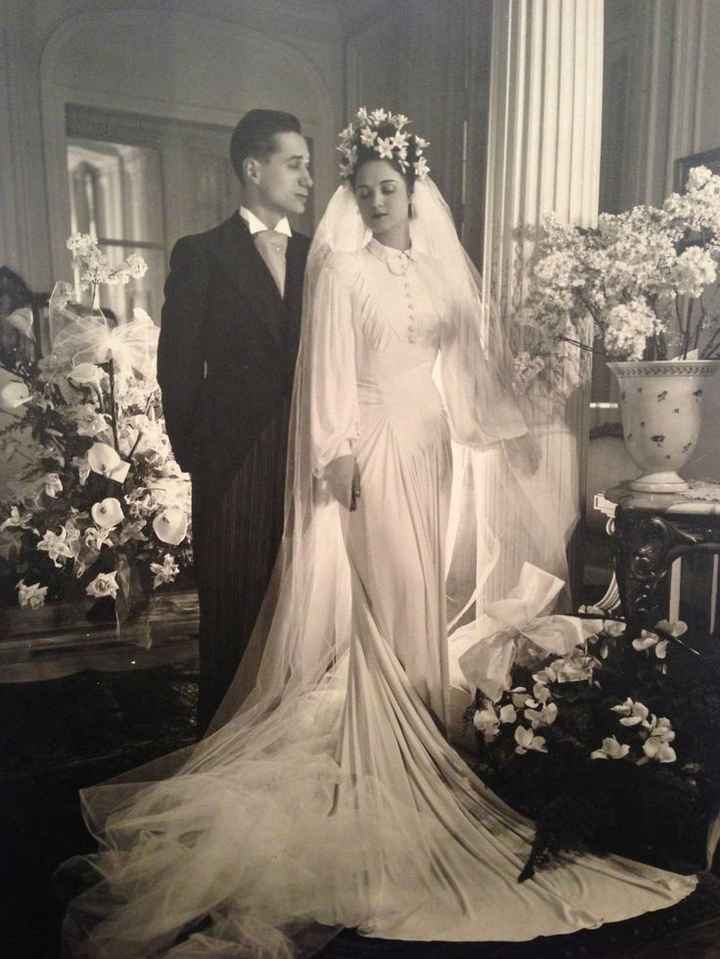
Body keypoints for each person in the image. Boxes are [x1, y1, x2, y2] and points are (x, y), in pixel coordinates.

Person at [62, 109, 696, 958]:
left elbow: (471, 372)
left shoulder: (436, 273)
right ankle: (391, 759)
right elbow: (324, 372)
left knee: (423, 595)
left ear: (414, 189)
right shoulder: (343, 273)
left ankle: (429, 746)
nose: (375, 203)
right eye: (362, 192)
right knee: (390, 594)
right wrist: (333, 451)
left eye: (387, 189)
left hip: (428, 442)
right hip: (370, 444)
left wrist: (517, 409)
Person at [157, 110, 313, 732]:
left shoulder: (317, 256)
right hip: (231, 459)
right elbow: (176, 368)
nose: (308, 179)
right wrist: (199, 452)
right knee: (234, 611)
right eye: (294, 164)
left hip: (307, 451)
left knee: (300, 603)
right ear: (254, 169)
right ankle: (223, 743)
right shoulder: (201, 254)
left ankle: (292, 737)